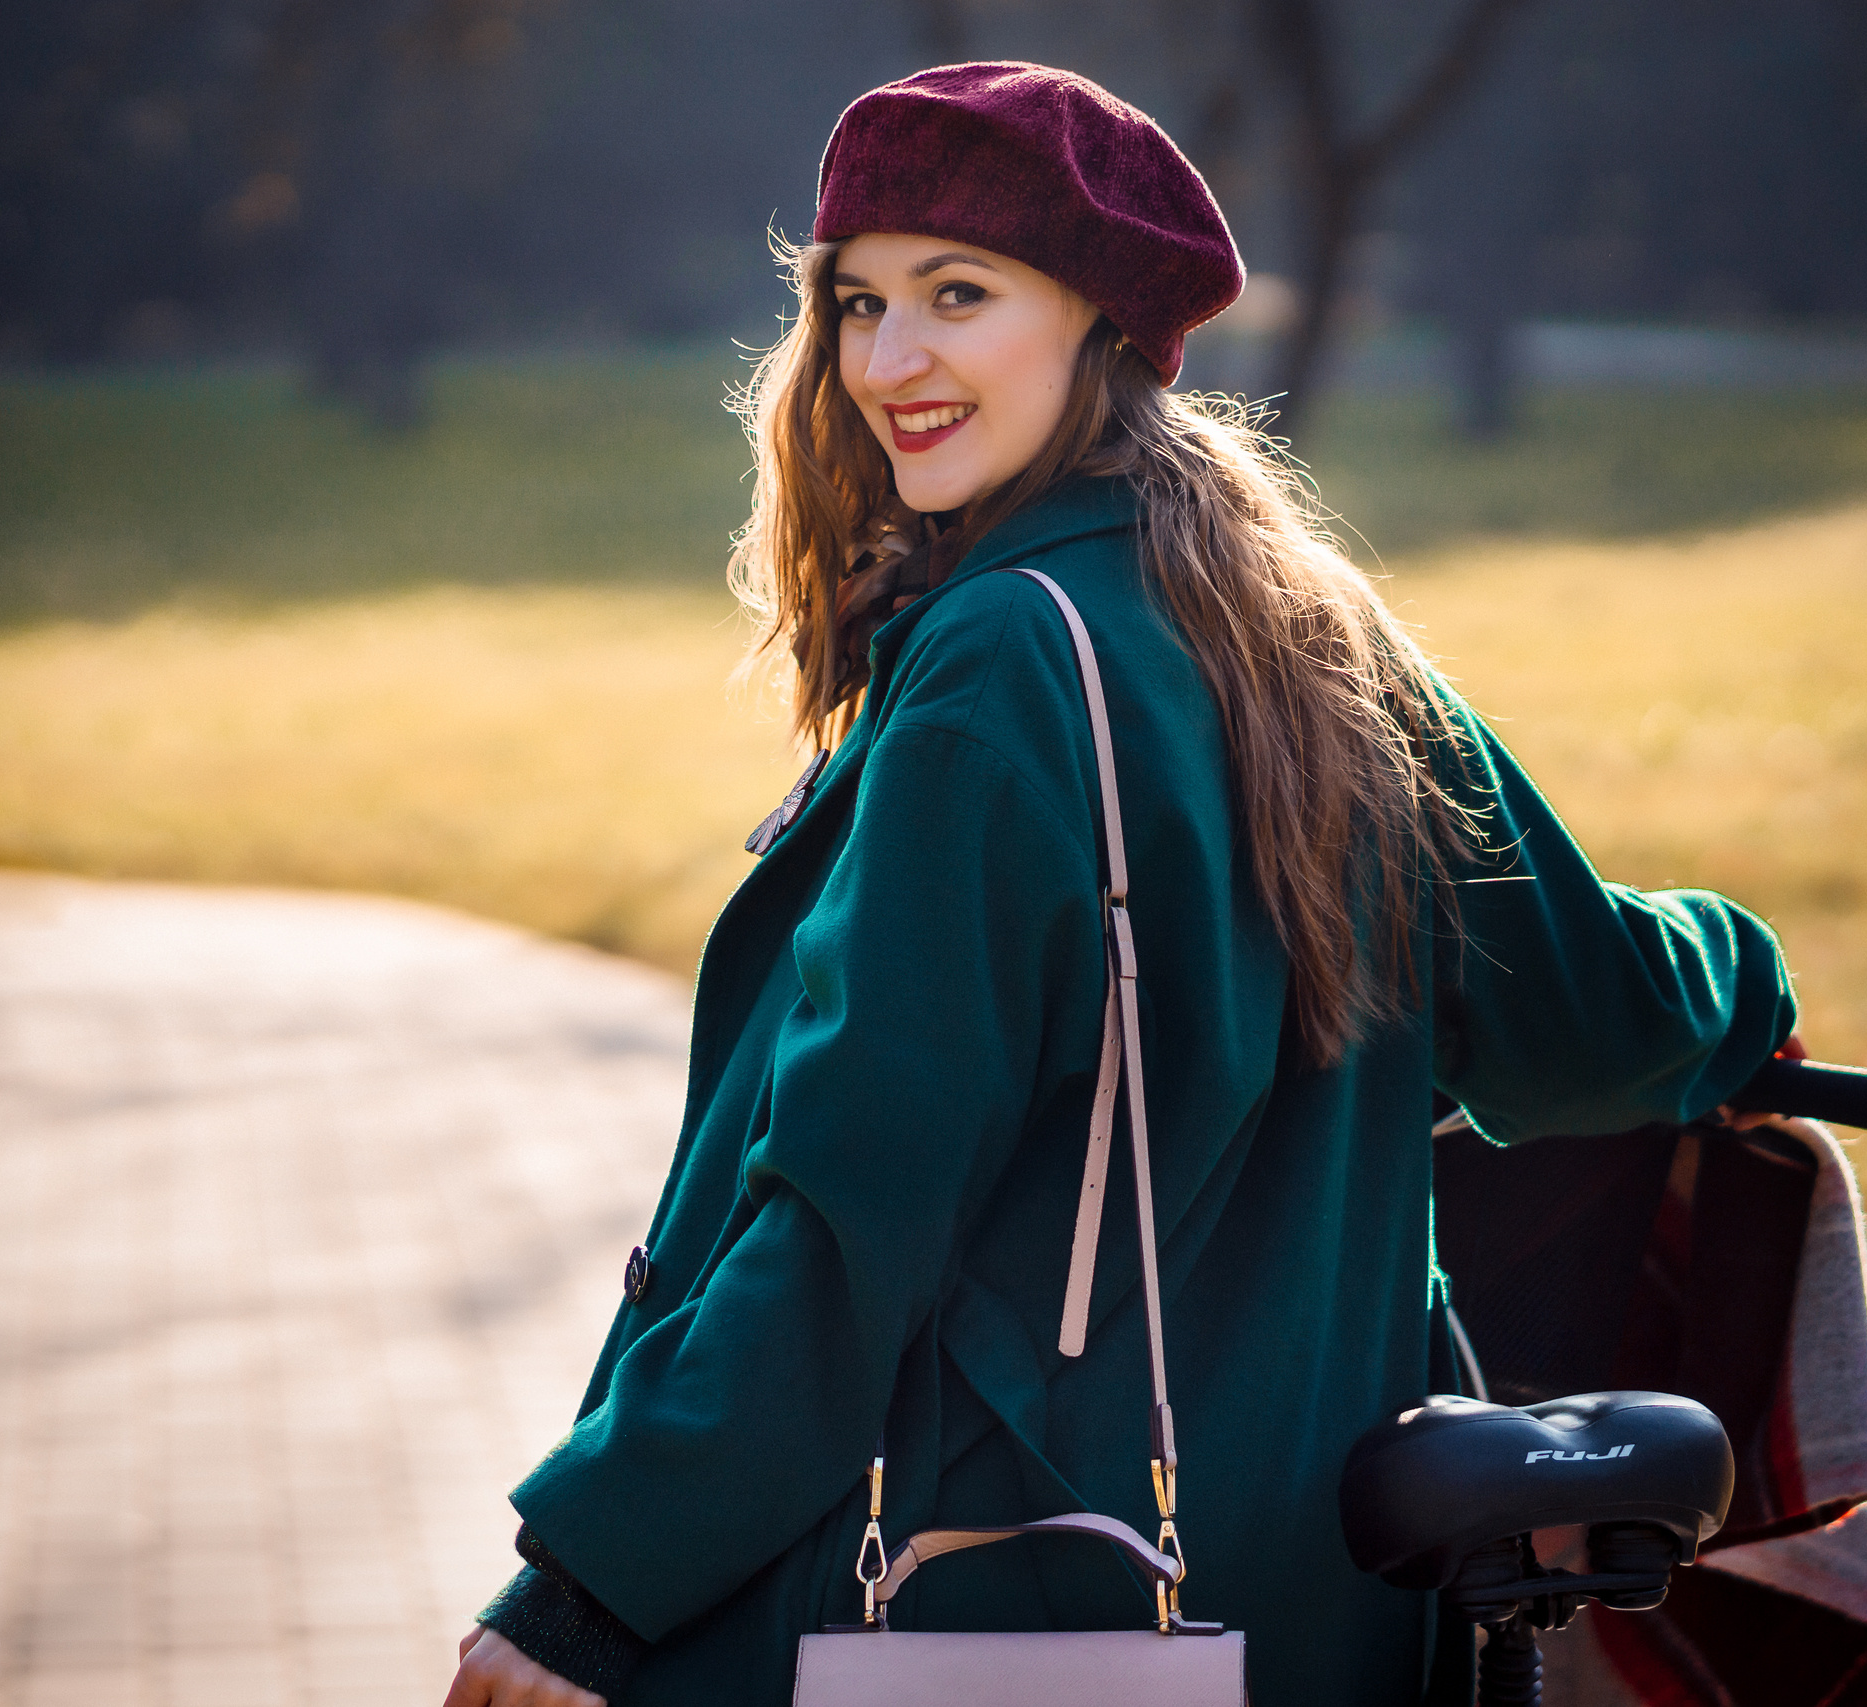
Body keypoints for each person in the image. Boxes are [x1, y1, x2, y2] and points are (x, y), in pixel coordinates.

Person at [442, 62, 1797, 1707]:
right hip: (1321, 1597)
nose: (888, 361)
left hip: (993, 1594)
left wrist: (595, 1586)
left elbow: (855, 1214)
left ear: (1104, 320)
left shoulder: (1000, 666)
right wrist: (1740, 972)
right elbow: (1598, 1023)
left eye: (960, 294)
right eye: (860, 302)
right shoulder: (1315, 632)